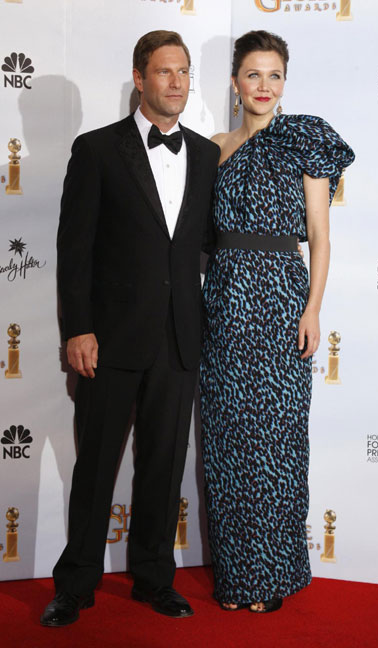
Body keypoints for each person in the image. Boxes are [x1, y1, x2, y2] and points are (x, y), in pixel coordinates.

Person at [40, 30, 219, 626]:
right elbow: (75, 251)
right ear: (140, 79)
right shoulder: (95, 151)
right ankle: (76, 585)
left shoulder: (207, 154)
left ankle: (152, 577)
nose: (177, 82)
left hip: (178, 338)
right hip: (109, 339)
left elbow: (206, 245)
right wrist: (79, 329)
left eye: (185, 72)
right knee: (94, 466)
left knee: (164, 466)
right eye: (165, 72)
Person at [200, 30, 355, 613]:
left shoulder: (304, 140)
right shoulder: (214, 146)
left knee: (277, 443)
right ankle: (238, 579)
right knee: (226, 443)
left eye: (274, 75)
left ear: (284, 81)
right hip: (223, 301)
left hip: (280, 301)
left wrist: (312, 308)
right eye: (253, 75)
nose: (263, 86)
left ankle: (272, 576)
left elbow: (319, 235)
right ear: (235, 82)